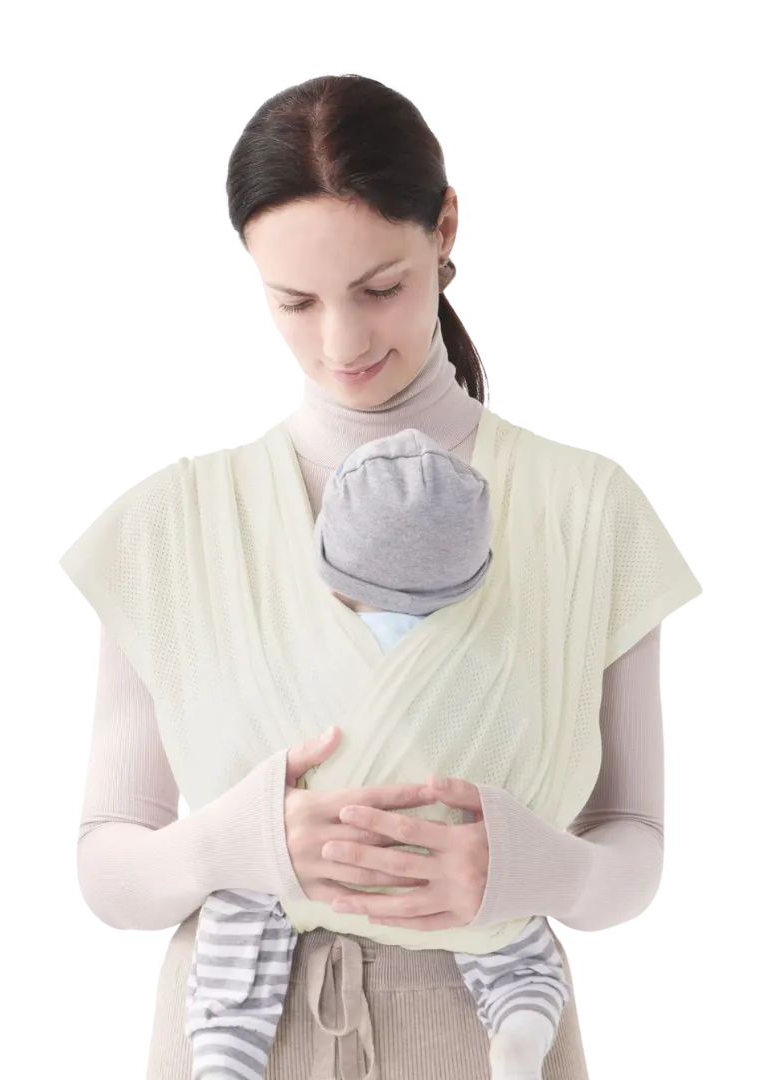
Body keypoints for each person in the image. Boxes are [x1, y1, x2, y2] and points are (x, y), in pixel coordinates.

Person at [62, 72, 706, 1079]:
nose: (343, 342)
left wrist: (539, 870)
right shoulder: (169, 527)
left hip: (492, 1032)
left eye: (379, 289)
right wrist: (235, 843)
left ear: (447, 227)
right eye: (295, 301)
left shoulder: (588, 512)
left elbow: (640, 851)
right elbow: (106, 876)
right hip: (234, 1030)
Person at [186, 430, 572, 1080]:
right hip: (440, 856)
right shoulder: (491, 664)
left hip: (318, 854)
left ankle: (224, 1055)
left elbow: (241, 747)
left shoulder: (295, 655)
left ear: (333, 577)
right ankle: (518, 1030)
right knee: (517, 938)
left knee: (241, 905)